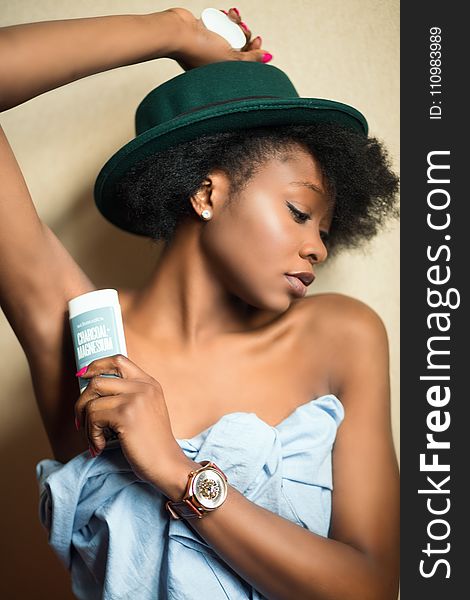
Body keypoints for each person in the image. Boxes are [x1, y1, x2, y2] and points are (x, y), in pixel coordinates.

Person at [0, 6, 400, 600]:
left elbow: (370, 588)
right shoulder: (88, 334)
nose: (317, 247)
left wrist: (175, 471)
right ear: (207, 192)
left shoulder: (341, 337)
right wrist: (175, 31)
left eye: (324, 229)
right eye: (299, 212)